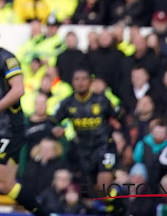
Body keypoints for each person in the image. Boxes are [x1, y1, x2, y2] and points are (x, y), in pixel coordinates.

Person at [0, 20, 49, 216]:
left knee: (4, 184)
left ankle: (42, 213)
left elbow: (19, 89)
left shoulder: (6, 58)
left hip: (9, 128)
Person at [51, 68, 126, 214]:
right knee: (98, 192)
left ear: (90, 81)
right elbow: (52, 121)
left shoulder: (102, 100)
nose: (80, 83)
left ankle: (119, 207)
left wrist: (123, 138)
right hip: (85, 151)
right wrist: (55, 129)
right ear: (72, 82)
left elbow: (121, 116)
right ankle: (116, 205)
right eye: (77, 79)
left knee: (103, 184)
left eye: (84, 79)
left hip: (105, 146)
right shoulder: (67, 103)